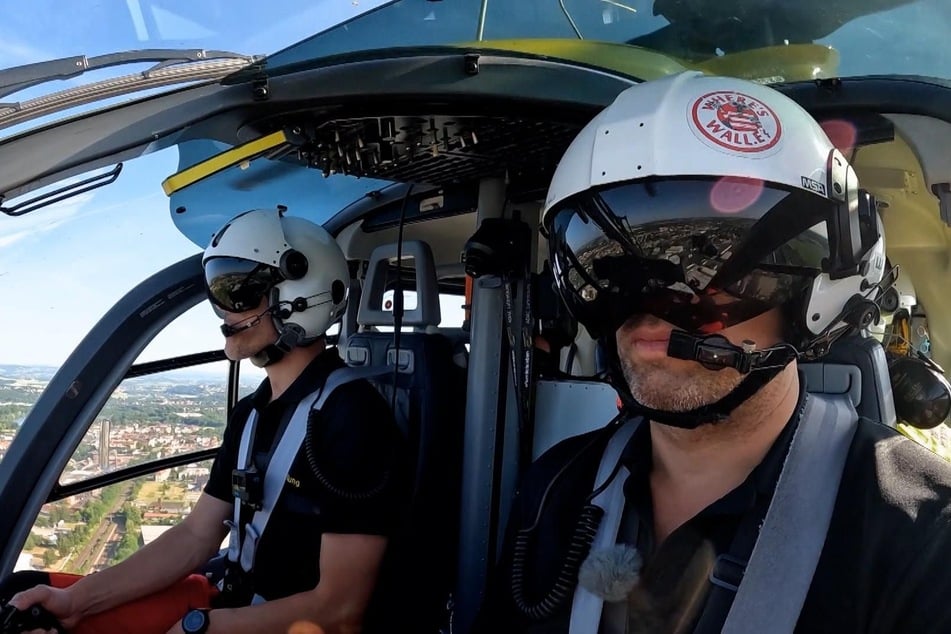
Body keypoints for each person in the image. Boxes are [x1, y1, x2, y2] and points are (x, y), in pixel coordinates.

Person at [474, 71, 951, 633]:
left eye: (714, 283)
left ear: (822, 291)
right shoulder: (557, 484)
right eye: (615, 276)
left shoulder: (922, 534)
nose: (648, 311)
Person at [3, 208, 410, 634]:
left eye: (239, 293)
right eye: (218, 291)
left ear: (300, 295)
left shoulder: (352, 419)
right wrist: (75, 602)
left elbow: (340, 611)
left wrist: (203, 628)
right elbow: (198, 536)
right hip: (229, 599)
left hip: (281, 621)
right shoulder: (252, 413)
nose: (223, 312)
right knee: (26, 602)